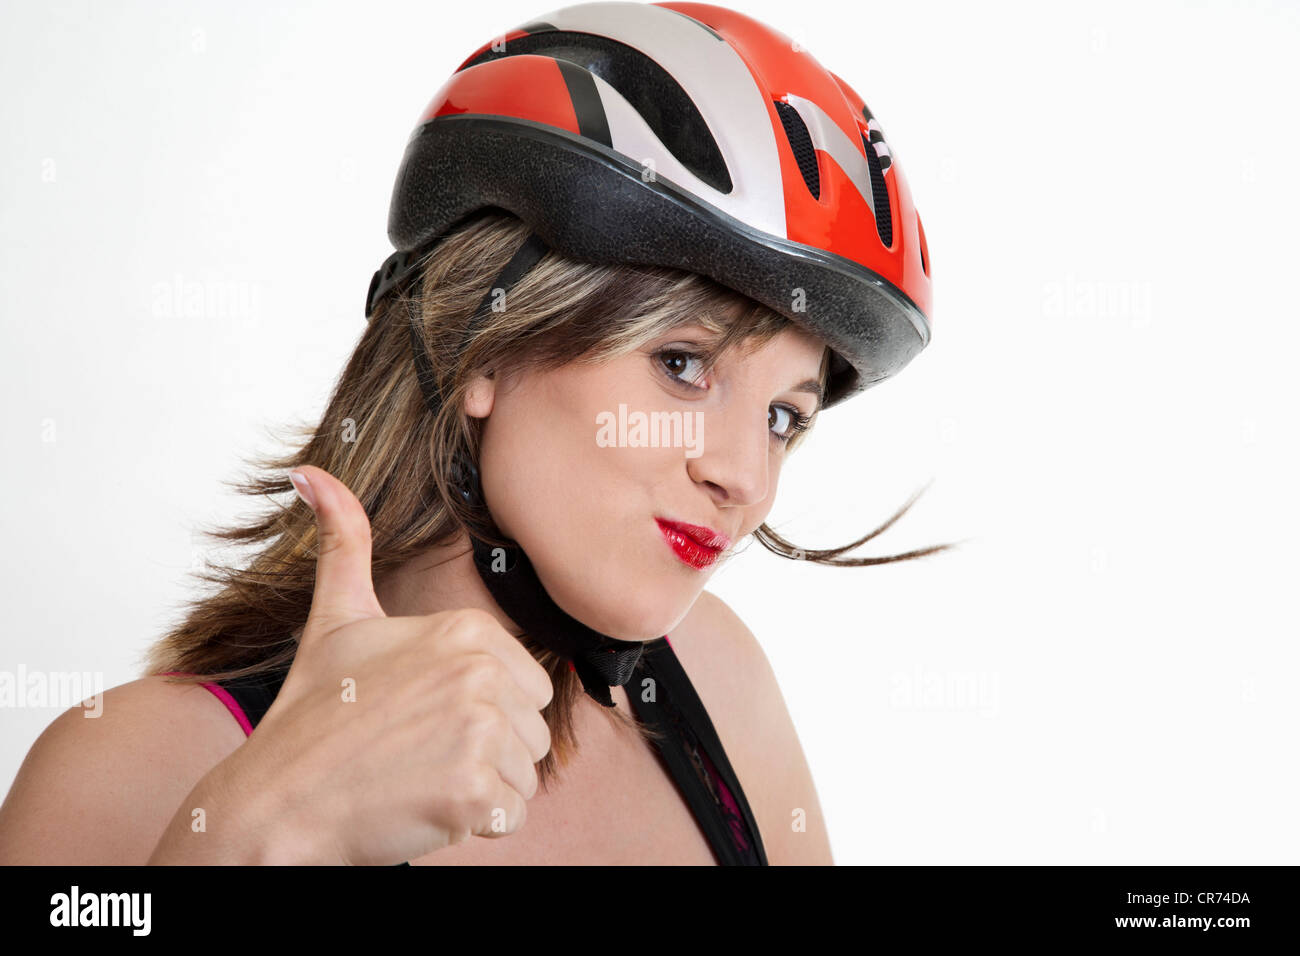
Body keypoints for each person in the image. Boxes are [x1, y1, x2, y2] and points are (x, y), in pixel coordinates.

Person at [0, 1, 953, 865]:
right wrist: (273, 829)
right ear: (484, 348)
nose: (744, 475)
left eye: (786, 415)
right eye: (682, 364)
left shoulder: (716, 681)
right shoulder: (129, 769)